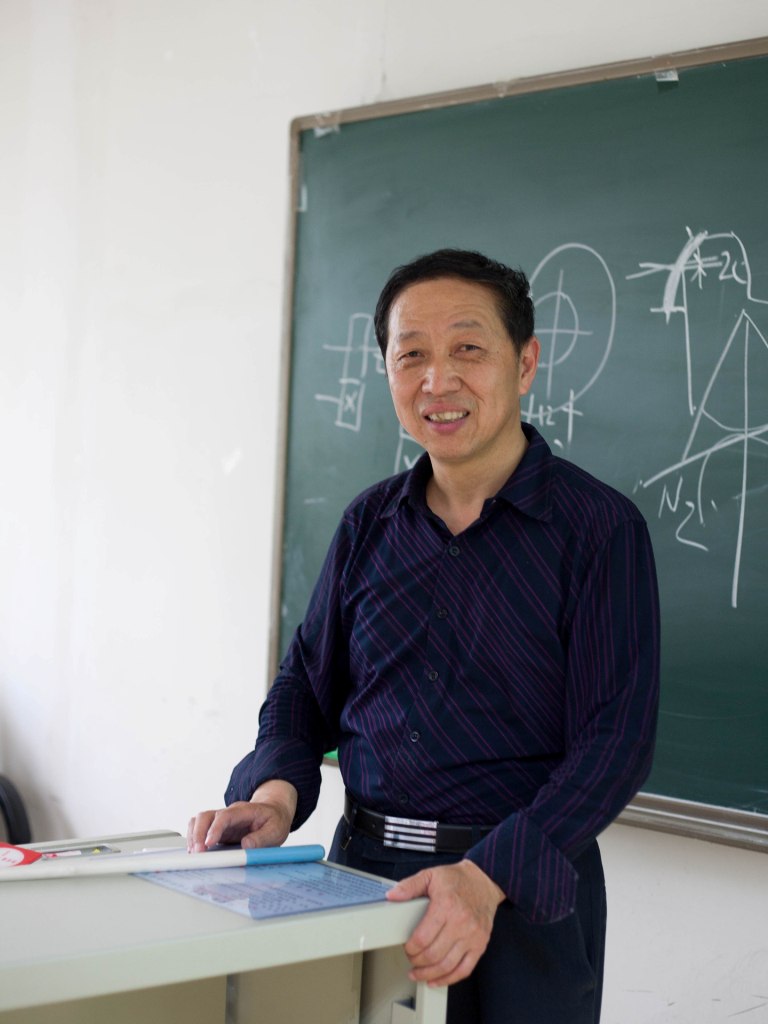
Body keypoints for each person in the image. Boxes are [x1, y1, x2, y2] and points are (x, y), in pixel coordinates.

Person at [189, 249, 660, 1024]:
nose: (437, 380)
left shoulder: (598, 530)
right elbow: (304, 687)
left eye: (467, 348)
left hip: (519, 900)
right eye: (411, 356)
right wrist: (274, 796)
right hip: (362, 882)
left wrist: (486, 878)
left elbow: (616, 743)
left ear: (525, 363)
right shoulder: (368, 524)